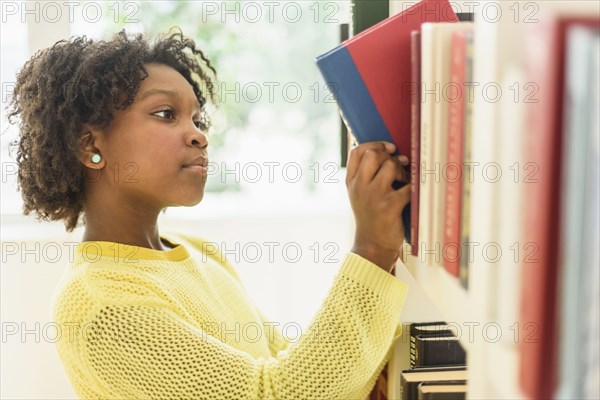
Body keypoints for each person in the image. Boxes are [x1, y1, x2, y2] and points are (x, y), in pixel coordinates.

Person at [8, 28, 411, 399]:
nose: (199, 135)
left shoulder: (196, 252)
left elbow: (284, 363)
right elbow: (279, 394)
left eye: (197, 119)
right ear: (88, 144)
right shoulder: (102, 307)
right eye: (166, 114)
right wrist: (374, 248)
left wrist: (361, 378)